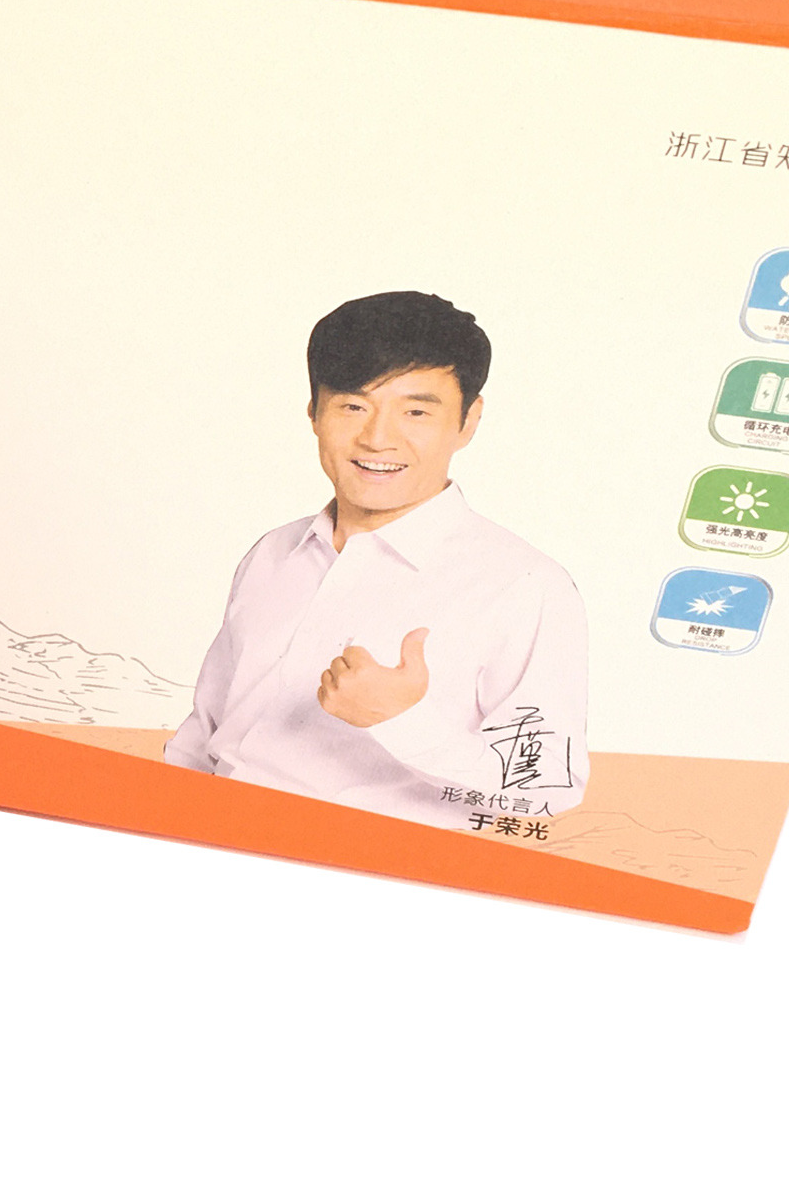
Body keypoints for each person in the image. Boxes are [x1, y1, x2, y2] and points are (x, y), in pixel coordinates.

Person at [163, 292, 589, 833]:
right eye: (353, 406)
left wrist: (401, 720)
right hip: (209, 843)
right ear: (314, 412)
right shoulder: (273, 552)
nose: (378, 438)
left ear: (468, 421)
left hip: (372, 869)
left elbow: (546, 787)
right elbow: (205, 729)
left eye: (416, 412)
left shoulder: (524, 585)